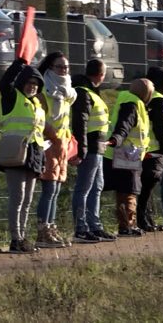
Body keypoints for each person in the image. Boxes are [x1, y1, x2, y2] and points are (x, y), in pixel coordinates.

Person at [0, 58, 47, 254]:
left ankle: (23, 236)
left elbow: (39, 133)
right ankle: (15, 238)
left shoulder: (37, 104)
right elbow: (4, 83)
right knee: (17, 198)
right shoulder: (12, 97)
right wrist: (18, 65)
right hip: (15, 153)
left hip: (34, 153)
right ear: (21, 83)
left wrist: (41, 159)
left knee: (27, 199)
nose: (32, 87)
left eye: (36, 84)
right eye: (29, 83)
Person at [70, 60, 116, 243]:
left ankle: (94, 225)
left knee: (96, 187)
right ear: (101, 75)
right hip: (90, 146)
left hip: (97, 146)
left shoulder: (90, 92)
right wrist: (82, 148)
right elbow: (81, 122)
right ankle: (81, 228)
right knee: (84, 188)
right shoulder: (84, 93)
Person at [35, 52, 76, 249]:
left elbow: (64, 120)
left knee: (56, 189)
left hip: (62, 145)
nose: (64, 71)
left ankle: (51, 227)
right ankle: (43, 230)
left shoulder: (68, 92)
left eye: (66, 67)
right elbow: (40, 119)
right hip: (48, 143)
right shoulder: (45, 90)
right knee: (49, 189)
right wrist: (54, 136)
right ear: (50, 68)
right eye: (59, 67)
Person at [103, 78, 154, 237]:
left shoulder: (127, 100)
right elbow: (124, 125)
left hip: (122, 154)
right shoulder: (134, 105)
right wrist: (116, 139)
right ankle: (128, 226)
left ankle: (126, 225)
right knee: (129, 192)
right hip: (125, 155)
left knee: (123, 192)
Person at [137, 67, 163, 232]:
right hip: (155, 148)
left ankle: (146, 219)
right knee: (147, 188)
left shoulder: (142, 97)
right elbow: (162, 126)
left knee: (142, 188)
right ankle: (143, 220)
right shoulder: (159, 99)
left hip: (141, 148)